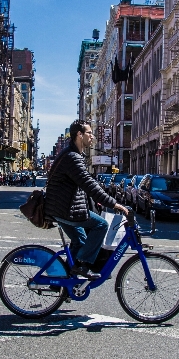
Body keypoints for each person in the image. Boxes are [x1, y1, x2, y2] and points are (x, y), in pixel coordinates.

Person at [43, 119, 129, 280]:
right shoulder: (72, 157)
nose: (92, 136)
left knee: (80, 241)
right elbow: (89, 185)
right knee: (101, 225)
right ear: (79, 134)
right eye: (89, 133)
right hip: (64, 209)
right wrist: (114, 203)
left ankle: (63, 282)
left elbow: (84, 185)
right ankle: (82, 265)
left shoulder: (72, 154)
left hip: (60, 207)